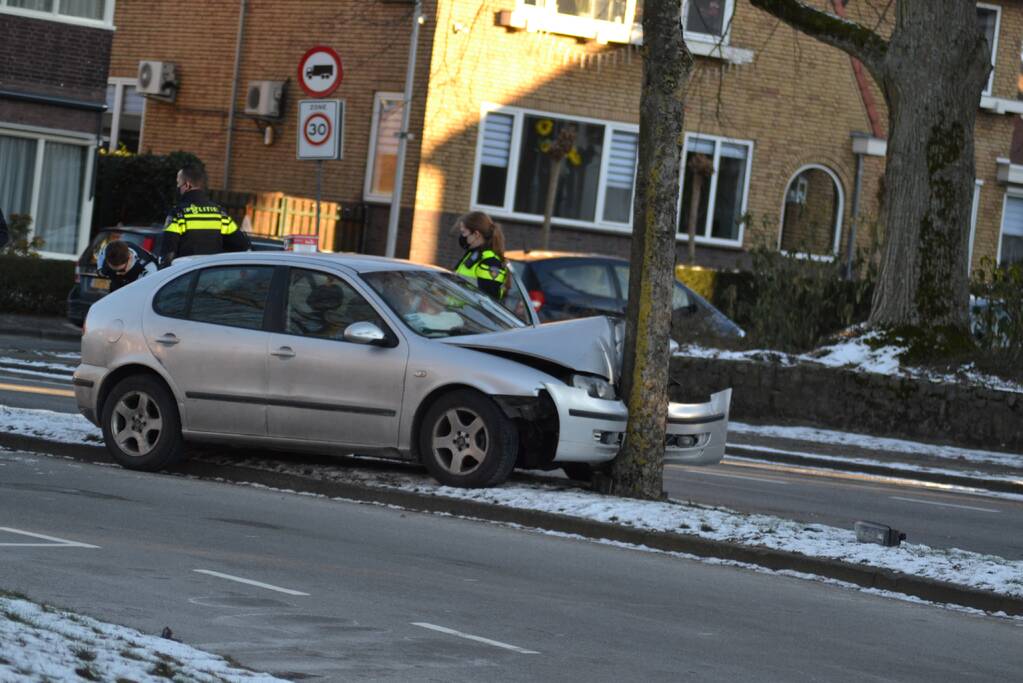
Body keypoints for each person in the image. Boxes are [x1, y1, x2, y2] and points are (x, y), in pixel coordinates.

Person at [160, 163, 250, 267]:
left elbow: (168, 254)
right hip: (212, 275)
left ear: (187, 185)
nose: (177, 187)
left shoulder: (178, 214)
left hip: (185, 277)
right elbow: (241, 245)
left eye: (178, 183)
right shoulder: (220, 214)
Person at [452, 211, 509, 302]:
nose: (462, 237)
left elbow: (488, 305)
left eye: (463, 232)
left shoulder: (490, 263)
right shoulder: (473, 254)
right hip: (455, 313)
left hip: (466, 315)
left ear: (476, 234)